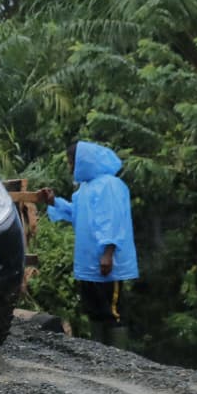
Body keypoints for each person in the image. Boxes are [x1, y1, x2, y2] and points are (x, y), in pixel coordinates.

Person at [36, 141, 139, 347]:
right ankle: (99, 358)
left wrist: (108, 253)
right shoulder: (85, 188)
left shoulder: (109, 185)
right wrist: (54, 202)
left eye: (71, 162)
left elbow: (113, 220)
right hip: (89, 263)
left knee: (112, 312)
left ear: (83, 161)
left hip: (107, 263)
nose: (70, 167)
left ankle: (119, 360)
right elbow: (77, 214)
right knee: (94, 310)